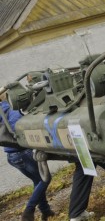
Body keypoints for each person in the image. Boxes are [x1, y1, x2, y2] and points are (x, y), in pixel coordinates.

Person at [1, 92, 55, 221]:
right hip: (22, 153)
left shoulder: (1, 110)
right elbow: (18, 129)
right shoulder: (12, 109)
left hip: (11, 156)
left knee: (37, 181)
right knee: (45, 179)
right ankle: (28, 212)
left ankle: (45, 211)